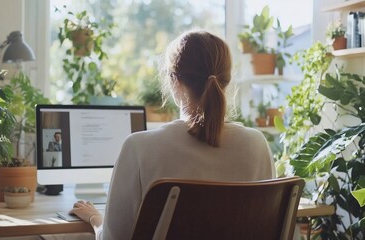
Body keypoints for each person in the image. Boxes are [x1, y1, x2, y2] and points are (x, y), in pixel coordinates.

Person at [70, 30, 276, 240]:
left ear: (174, 81)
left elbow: (114, 239)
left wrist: (96, 219)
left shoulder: (139, 148)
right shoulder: (257, 144)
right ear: (227, 80)